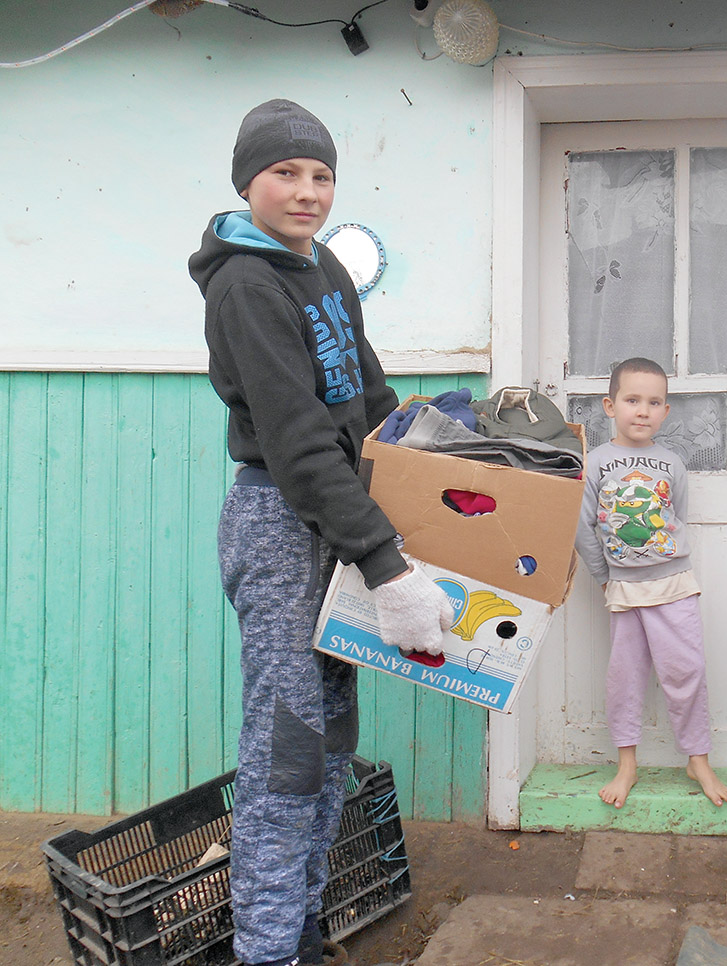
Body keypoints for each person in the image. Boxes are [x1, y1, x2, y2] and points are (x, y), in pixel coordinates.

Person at [189, 99, 453, 966]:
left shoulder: (327, 273)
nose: (307, 192)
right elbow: (300, 441)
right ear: (247, 182)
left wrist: (442, 453)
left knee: (333, 734)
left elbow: (367, 401)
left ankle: (299, 927)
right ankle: (264, 951)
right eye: (286, 174)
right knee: (287, 749)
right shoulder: (244, 284)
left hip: (338, 519)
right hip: (278, 521)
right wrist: (384, 562)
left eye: (322, 175)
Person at [574, 358, 727, 809]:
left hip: (674, 584)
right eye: (632, 400)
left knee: (686, 671)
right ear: (610, 405)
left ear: (665, 411)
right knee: (625, 677)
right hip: (623, 589)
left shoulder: (672, 463)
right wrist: (605, 578)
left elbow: (679, 515)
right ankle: (627, 763)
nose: (642, 411)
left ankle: (697, 759)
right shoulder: (596, 464)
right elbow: (583, 528)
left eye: (654, 402)